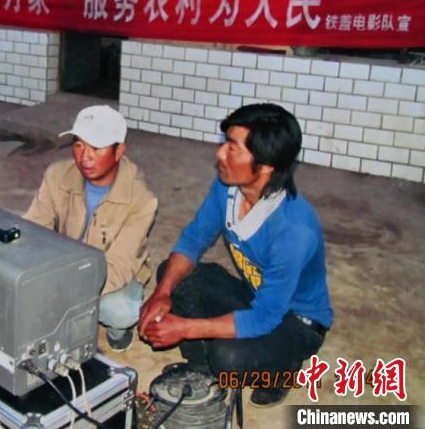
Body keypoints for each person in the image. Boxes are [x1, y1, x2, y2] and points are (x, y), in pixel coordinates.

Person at [139, 103, 332, 407]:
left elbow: (266, 316)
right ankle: (202, 365)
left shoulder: (294, 230)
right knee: (173, 275)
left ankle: (282, 369)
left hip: (297, 322)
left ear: (265, 166)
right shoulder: (228, 188)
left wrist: (185, 328)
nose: (219, 154)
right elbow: (194, 239)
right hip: (257, 295)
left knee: (228, 358)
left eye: (232, 148)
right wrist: (161, 293)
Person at [25, 105, 158, 352]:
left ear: (119, 151)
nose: (84, 157)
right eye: (78, 145)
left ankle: (118, 331)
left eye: (96, 148)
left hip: (110, 272)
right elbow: (33, 228)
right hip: (64, 260)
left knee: (120, 311)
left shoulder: (143, 199)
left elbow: (118, 266)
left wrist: (62, 290)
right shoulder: (57, 175)